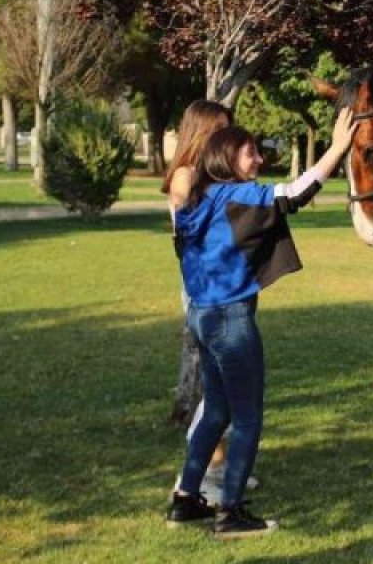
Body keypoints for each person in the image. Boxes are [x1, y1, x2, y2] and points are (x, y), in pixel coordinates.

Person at [166, 108, 355, 538]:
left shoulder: (204, 197)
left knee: (216, 408)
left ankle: (186, 499)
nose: (258, 162)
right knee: (248, 417)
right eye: (251, 154)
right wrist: (338, 149)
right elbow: (294, 193)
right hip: (230, 322)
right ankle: (229, 511)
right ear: (230, 159)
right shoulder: (237, 196)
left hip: (202, 317)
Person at [162, 101, 240, 498]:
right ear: (199, 133)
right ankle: (200, 477)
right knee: (215, 391)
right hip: (206, 295)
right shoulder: (187, 177)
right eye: (218, 130)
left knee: (222, 388)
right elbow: (186, 215)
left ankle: (220, 467)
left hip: (220, 291)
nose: (224, 138)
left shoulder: (209, 178)